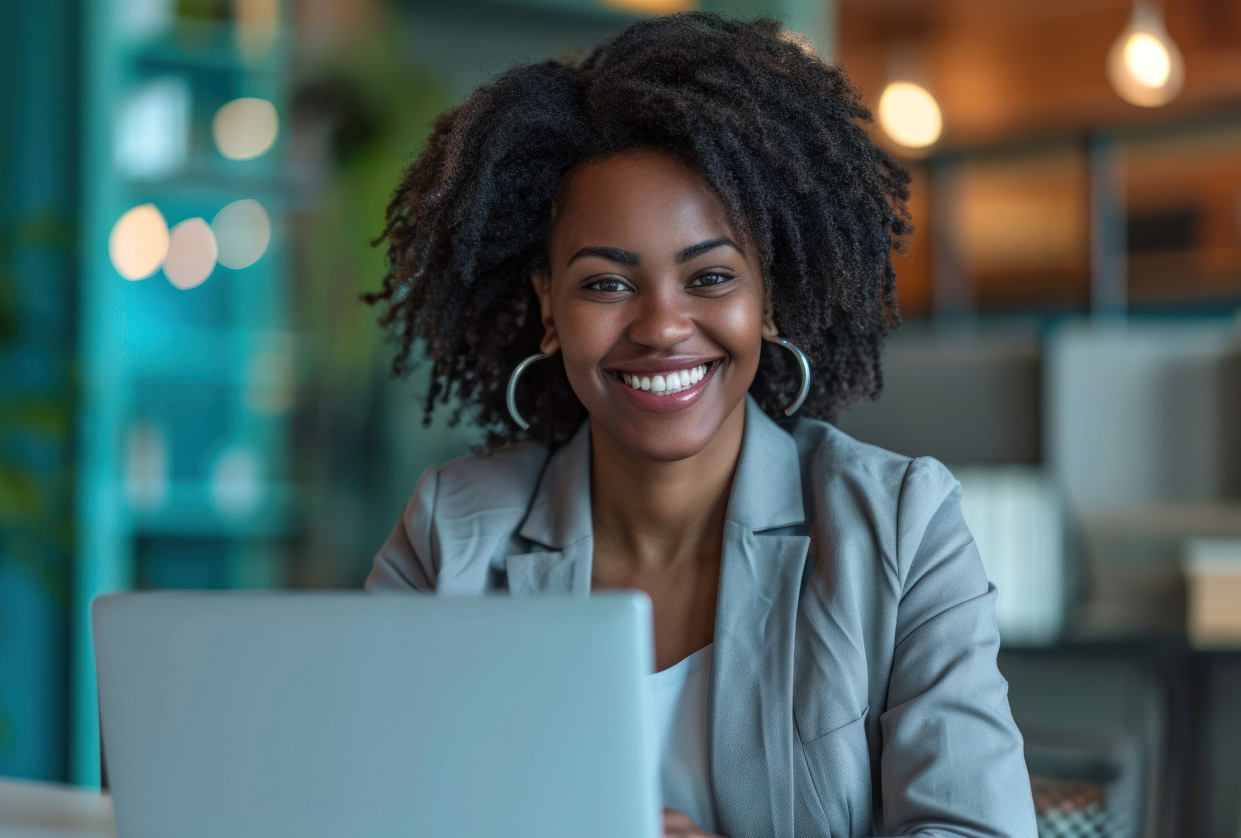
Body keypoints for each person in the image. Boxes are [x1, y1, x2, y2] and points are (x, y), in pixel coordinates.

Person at [361, 12, 1036, 838]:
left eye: (710, 277)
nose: (662, 326)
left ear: (770, 299)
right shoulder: (452, 537)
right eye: (607, 285)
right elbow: (362, 805)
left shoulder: (900, 529)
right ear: (548, 307)